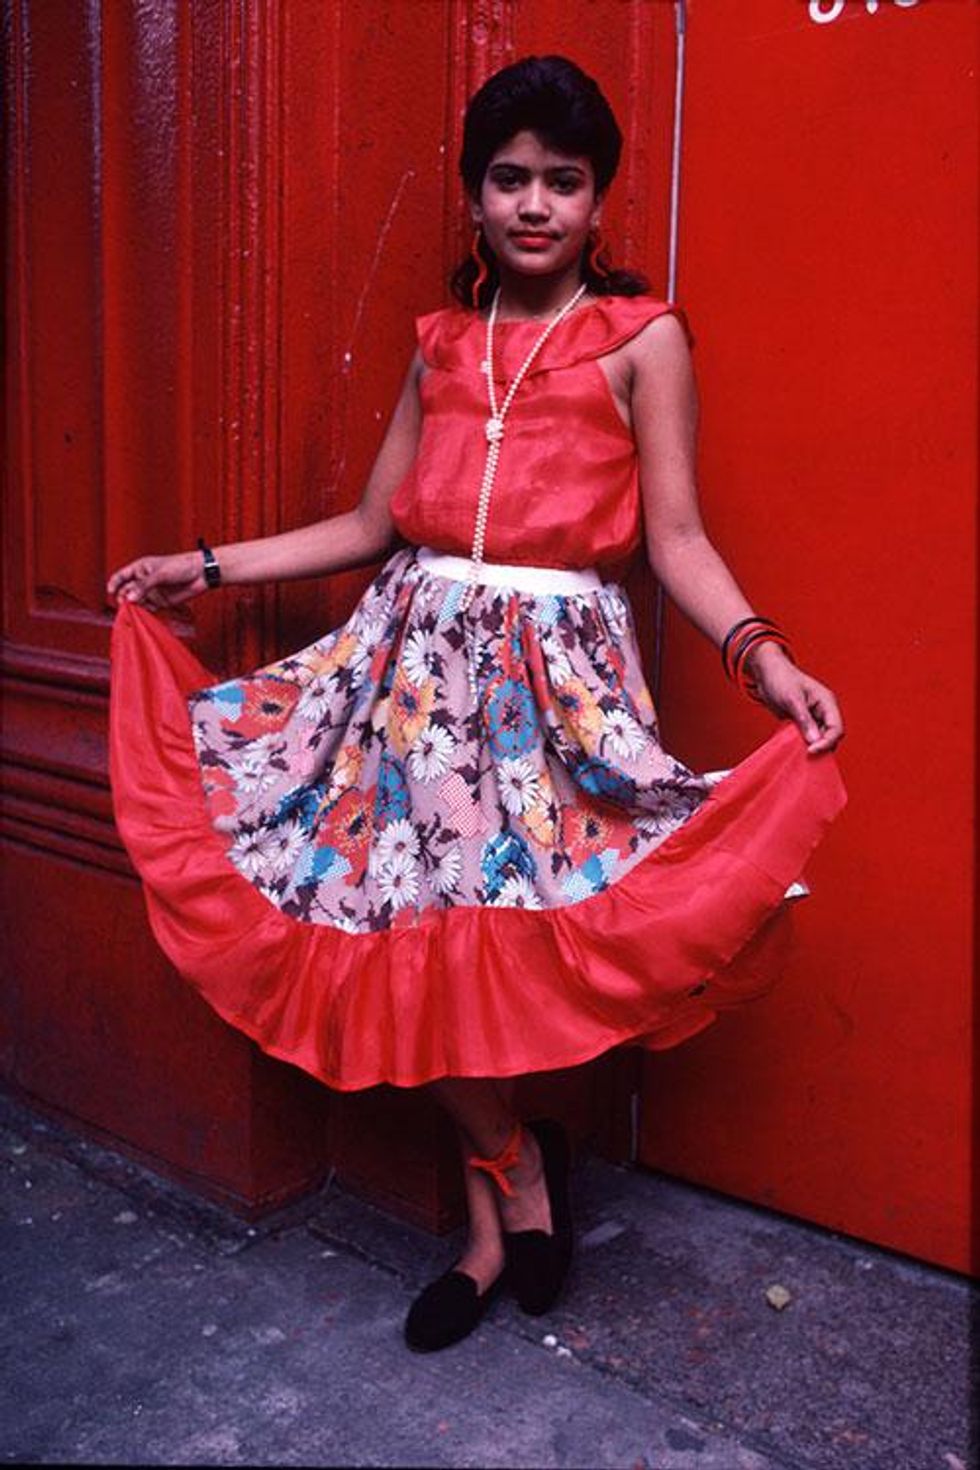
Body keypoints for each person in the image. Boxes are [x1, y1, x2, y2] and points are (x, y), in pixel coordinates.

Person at [106, 55, 845, 1354]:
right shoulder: (441, 343)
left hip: (551, 691)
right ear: (475, 196)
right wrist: (204, 565)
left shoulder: (643, 338)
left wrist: (763, 655)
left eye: (564, 181)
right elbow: (368, 521)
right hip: (410, 680)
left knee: (515, 941)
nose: (537, 205)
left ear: (598, 200)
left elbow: (675, 538)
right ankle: (503, 1198)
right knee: (411, 938)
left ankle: (512, 1182)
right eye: (511, 179)